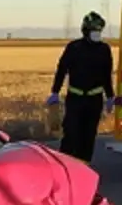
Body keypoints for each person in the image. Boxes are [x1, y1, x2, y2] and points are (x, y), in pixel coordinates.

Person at [47, 11, 114, 162]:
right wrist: (55, 92)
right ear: (86, 31)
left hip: (94, 100)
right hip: (75, 99)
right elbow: (62, 70)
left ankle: (84, 166)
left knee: (88, 136)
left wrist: (110, 96)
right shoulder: (74, 48)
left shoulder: (104, 49)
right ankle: (65, 165)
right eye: (94, 31)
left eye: (99, 31)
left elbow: (106, 75)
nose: (97, 34)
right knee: (71, 134)